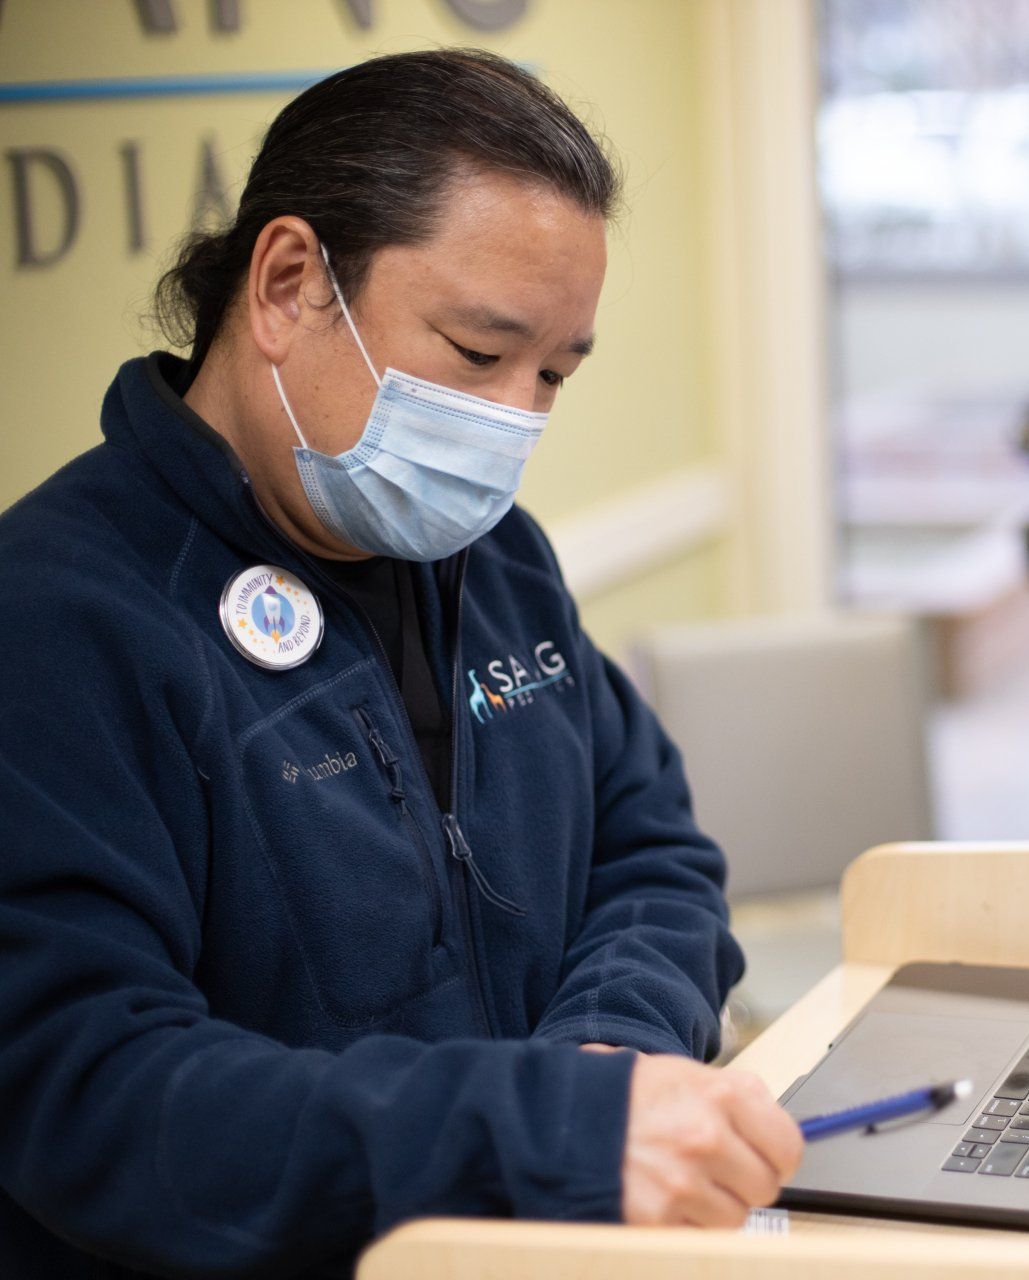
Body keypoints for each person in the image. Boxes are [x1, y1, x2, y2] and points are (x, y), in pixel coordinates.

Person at [0, 50, 802, 1278]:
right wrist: (537, 1134)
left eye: (555, 374)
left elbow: (652, 847)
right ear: (285, 285)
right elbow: (95, 1090)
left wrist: (610, 1063)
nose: (516, 420)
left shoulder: (497, 559)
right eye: (479, 354)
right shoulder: (61, 617)